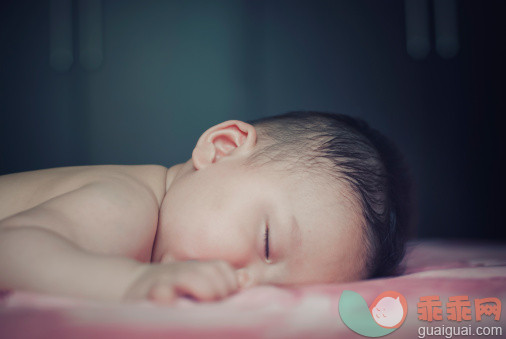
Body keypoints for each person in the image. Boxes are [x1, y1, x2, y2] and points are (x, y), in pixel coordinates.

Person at [0, 111, 413, 303]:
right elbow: (10, 251)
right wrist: (131, 285)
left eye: (275, 288)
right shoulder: (124, 205)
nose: (245, 283)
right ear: (222, 148)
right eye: (267, 244)